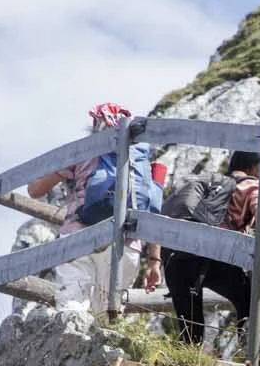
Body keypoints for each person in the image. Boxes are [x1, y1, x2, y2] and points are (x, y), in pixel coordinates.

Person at [26, 102, 160, 312]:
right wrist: (154, 261)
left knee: (72, 306)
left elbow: (35, 190)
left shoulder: (83, 152)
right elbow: (152, 210)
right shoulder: (139, 161)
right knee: (106, 314)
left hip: (78, 236)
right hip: (128, 244)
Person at [160, 152, 260, 348]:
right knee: (248, 299)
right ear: (253, 168)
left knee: (190, 329)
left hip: (176, 256)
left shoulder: (207, 184)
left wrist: (156, 260)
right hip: (214, 257)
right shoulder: (250, 185)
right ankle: (250, 355)